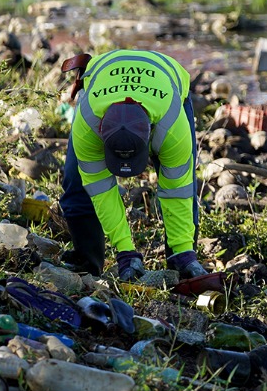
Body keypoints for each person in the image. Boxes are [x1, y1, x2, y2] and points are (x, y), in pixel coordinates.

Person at [60, 49, 205, 282]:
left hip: (165, 79)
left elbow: (177, 190)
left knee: (184, 186)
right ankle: (87, 268)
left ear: (150, 139)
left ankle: (183, 261)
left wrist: (183, 248)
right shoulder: (88, 124)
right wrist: (125, 250)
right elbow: (100, 189)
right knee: (77, 187)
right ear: (101, 135)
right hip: (104, 80)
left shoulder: (171, 125)